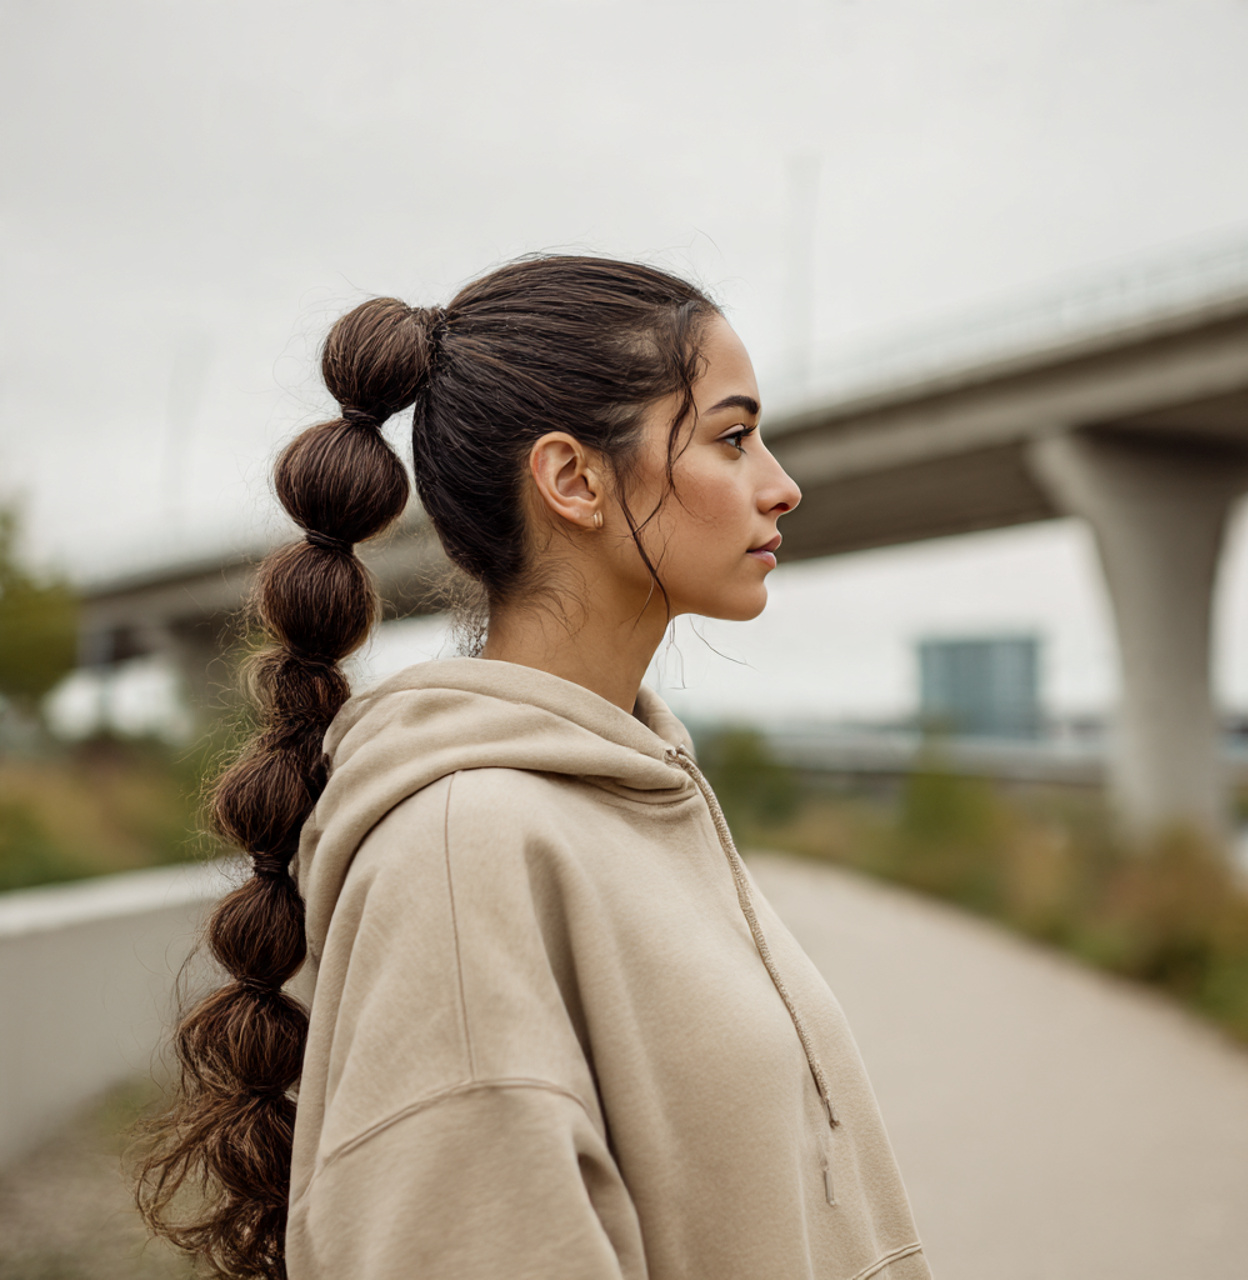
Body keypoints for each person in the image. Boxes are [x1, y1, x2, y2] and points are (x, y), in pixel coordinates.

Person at [137, 256, 930, 1280]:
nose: (780, 483)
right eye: (731, 437)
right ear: (571, 479)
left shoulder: (632, 788)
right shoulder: (465, 850)